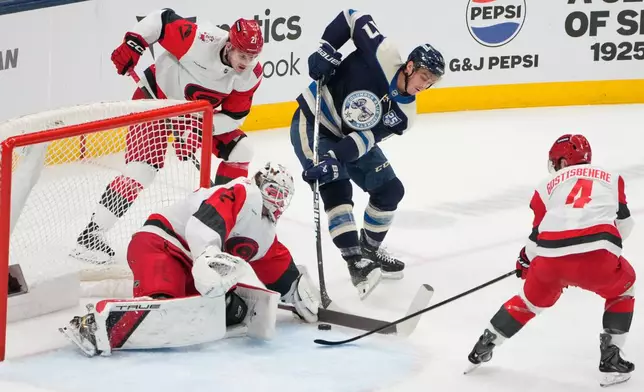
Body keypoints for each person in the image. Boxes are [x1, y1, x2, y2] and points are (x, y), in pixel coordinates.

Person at [60, 162, 321, 357]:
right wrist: (208, 255)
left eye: (282, 196)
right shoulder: (243, 192)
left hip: (192, 266)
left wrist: (296, 291)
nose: (276, 200)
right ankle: (94, 326)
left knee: (232, 310)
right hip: (161, 244)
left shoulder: (264, 230)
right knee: (162, 306)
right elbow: (201, 226)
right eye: (272, 190)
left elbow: (274, 261)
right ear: (258, 182)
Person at [74, 8, 264, 263]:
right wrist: (134, 43)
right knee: (143, 169)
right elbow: (160, 20)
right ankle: (91, 235)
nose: (246, 63)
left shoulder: (250, 74)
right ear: (229, 45)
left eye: (252, 57)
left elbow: (234, 116)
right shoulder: (198, 40)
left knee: (242, 150)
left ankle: (218, 220)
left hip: (194, 116)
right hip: (154, 101)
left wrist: (199, 129)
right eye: (242, 55)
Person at [289, 9, 445, 299]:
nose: (425, 85)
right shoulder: (384, 53)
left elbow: (365, 139)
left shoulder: (405, 115)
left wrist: (334, 158)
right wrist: (327, 48)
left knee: (390, 190)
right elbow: (351, 18)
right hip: (313, 121)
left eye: (431, 82)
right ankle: (356, 264)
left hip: (348, 139)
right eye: (424, 76)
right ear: (410, 66)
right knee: (337, 185)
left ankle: (369, 252)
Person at [466, 134, 636, 387]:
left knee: (528, 301)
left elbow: (535, 238)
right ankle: (611, 355)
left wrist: (525, 261)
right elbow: (625, 224)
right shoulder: (611, 177)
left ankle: (485, 344)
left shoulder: (546, 184)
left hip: (549, 259)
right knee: (625, 288)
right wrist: (604, 251)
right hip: (598, 257)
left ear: (562, 162)